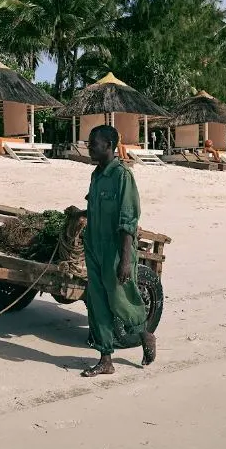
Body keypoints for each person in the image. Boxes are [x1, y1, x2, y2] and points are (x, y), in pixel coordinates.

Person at [72, 124, 155, 377]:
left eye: (93, 144)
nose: (89, 148)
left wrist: (125, 261)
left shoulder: (122, 176)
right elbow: (96, 208)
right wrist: (79, 213)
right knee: (97, 304)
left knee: (119, 300)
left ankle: (144, 333)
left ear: (108, 146)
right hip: (93, 246)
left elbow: (128, 219)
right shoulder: (96, 175)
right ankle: (105, 358)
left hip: (116, 250)